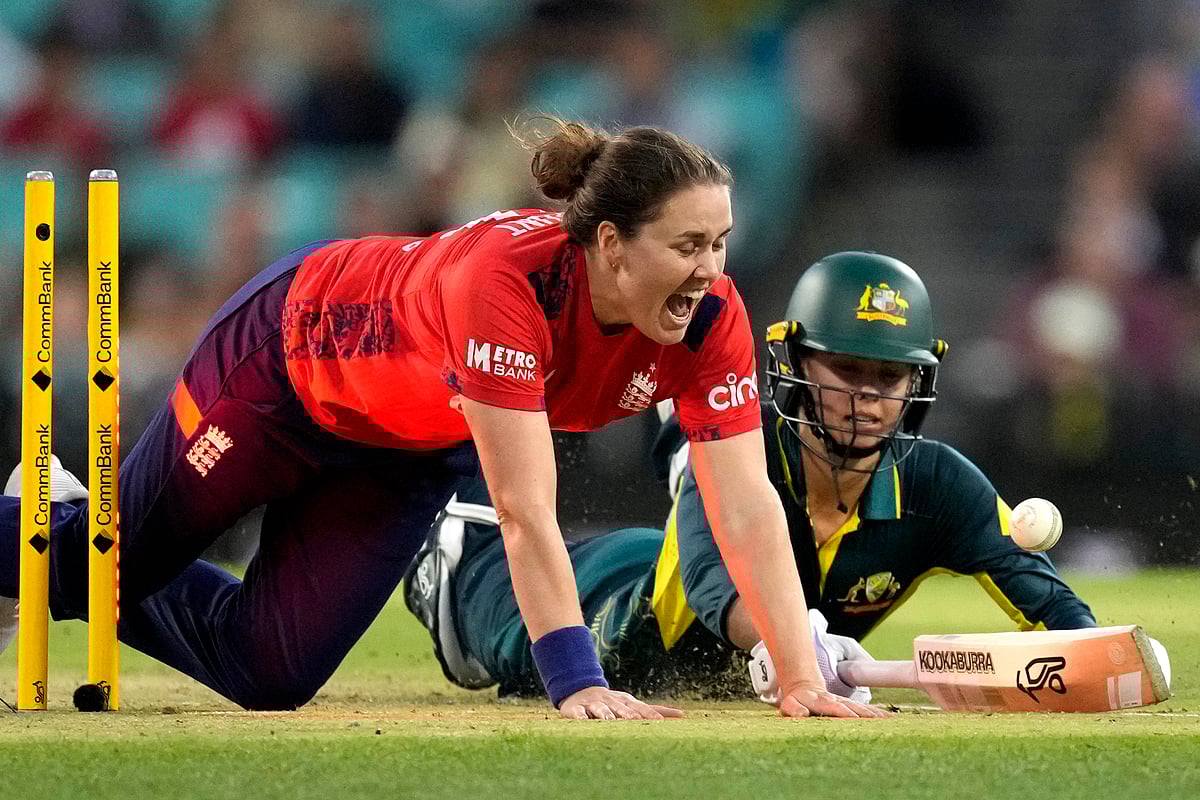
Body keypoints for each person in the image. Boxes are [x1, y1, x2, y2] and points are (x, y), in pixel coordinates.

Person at [0, 118, 877, 720]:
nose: (709, 271)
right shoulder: (505, 283)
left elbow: (747, 502)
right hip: (281, 370)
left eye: (719, 243)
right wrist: (574, 680)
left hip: (404, 452)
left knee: (270, 675)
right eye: (687, 247)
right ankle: (49, 532)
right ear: (610, 243)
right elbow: (526, 512)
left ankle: (57, 518)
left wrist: (800, 675)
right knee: (98, 566)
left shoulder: (711, 316)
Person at [402, 251, 1096, 703]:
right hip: (627, 616)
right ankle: (454, 553)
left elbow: (1050, 606)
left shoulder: (941, 485)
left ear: (921, 380)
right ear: (796, 362)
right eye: (847, 369)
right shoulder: (739, 445)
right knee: (485, 655)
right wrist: (787, 642)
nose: (869, 397)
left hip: (669, 576)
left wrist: (1100, 653)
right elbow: (712, 579)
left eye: (890, 376)